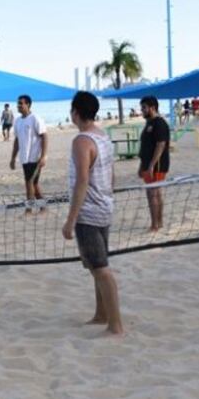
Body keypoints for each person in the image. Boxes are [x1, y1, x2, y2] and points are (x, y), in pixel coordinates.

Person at [61, 91, 122, 336]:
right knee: (97, 265)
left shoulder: (82, 141)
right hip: (105, 207)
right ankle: (101, 314)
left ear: (76, 112)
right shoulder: (102, 136)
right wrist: (109, 196)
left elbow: (82, 180)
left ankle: (116, 325)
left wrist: (71, 219)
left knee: (100, 268)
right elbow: (111, 173)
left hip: (89, 211)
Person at [9, 94, 47, 210]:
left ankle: (29, 209)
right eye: (18, 103)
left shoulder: (35, 118)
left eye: (21, 103)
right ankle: (43, 207)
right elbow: (17, 140)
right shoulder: (17, 121)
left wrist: (44, 156)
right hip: (24, 158)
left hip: (35, 158)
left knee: (29, 182)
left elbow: (44, 136)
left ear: (28, 105)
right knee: (34, 183)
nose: (18, 106)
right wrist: (13, 158)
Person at [138, 96, 170, 232]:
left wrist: (151, 165)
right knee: (154, 193)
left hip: (157, 165)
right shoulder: (149, 123)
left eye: (144, 108)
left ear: (153, 107)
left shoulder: (159, 123)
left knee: (153, 194)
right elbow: (146, 146)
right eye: (141, 108)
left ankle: (155, 225)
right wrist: (142, 165)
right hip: (148, 164)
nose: (142, 110)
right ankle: (159, 222)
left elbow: (161, 145)